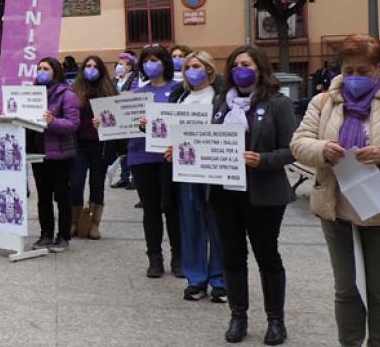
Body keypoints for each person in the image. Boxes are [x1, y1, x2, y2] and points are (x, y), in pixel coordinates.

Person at [293, 34, 380, 347]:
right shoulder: (323, 102)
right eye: (349, 70)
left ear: (379, 68)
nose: (355, 78)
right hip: (338, 210)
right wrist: (323, 149)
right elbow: (299, 143)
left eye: (363, 71)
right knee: (346, 290)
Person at [211, 46, 296, 345]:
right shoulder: (222, 102)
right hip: (225, 193)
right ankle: (238, 317)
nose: (239, 70)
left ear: (259, 68)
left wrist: (263, 160)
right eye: (234, 65)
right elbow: (209, 140)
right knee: (233, 256)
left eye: (245, 64)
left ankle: (275, 320)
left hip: (263, 193)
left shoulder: (278, 103)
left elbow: (292, 150)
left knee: (267, 255)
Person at [101, 45, 181, 277]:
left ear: (165, 62)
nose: (150, 64)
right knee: (151, 209)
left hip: (169, 158)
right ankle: (154, 257)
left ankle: (179, 256)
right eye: (146, 61)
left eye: (155, 60)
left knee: (171, 207)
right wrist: (105, 124)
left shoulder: (178, 91)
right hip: (141, 156)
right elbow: (121, 123)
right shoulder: (137, 95)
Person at [167, 51, 227, 303]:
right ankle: (196, 279)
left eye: (197, 65)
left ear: (210, 70)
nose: (192, 70)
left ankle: (220, 279)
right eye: (189, 66)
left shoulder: (222, 99)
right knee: (191, 223)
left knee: (218, 224)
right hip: (186, 169)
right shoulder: (179, 97)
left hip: (214, 170)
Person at [28, 58, 80, 253]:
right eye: (39, 68)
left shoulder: (67, 95)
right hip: (38, 152)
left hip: (60, 155)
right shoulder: (32, 94)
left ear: (55, 72)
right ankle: (46, 234)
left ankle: (63, 235)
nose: (41, 72)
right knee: (43, 196)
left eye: (46, 69)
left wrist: (52, 121)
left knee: (62, 196)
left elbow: (73, 124)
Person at [69, 55, 116, 240]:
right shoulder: (74, 90)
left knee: (97, 185)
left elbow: (117, 120)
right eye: (88, 65)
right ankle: (75, 222)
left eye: (95, 66)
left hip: (100, 146)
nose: (91, 69)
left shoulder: (110, 92)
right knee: (76, 184)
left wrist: (105, 123)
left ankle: (95, 224)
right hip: (79, 145)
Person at [109, 52, 139, 190]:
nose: (119, 66)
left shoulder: (134, 80)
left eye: (122, 64)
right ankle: (124, 177)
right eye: (118, 64)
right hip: (117, 118)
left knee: (130, 147)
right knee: (120, 149)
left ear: (130, 67)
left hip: (129, 116)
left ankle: (134, 177)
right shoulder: (114, 80)